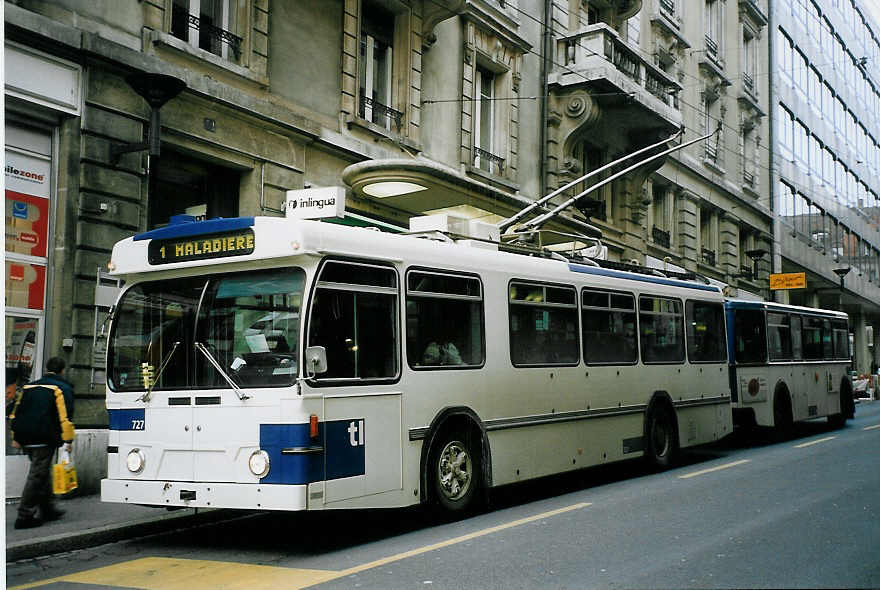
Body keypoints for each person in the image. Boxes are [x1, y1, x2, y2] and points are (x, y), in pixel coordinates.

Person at [10, 357, 75, 529]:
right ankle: (24, 515)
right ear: (62, 370)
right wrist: (68, 440)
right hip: (44, 437)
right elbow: (65, 417)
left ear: (47, 368)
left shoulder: (29, 386)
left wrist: (15, 436)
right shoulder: (61, 388)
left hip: (25, 435)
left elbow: (16, 412)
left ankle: (47, 509)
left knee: (41, 472)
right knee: (37, 475)